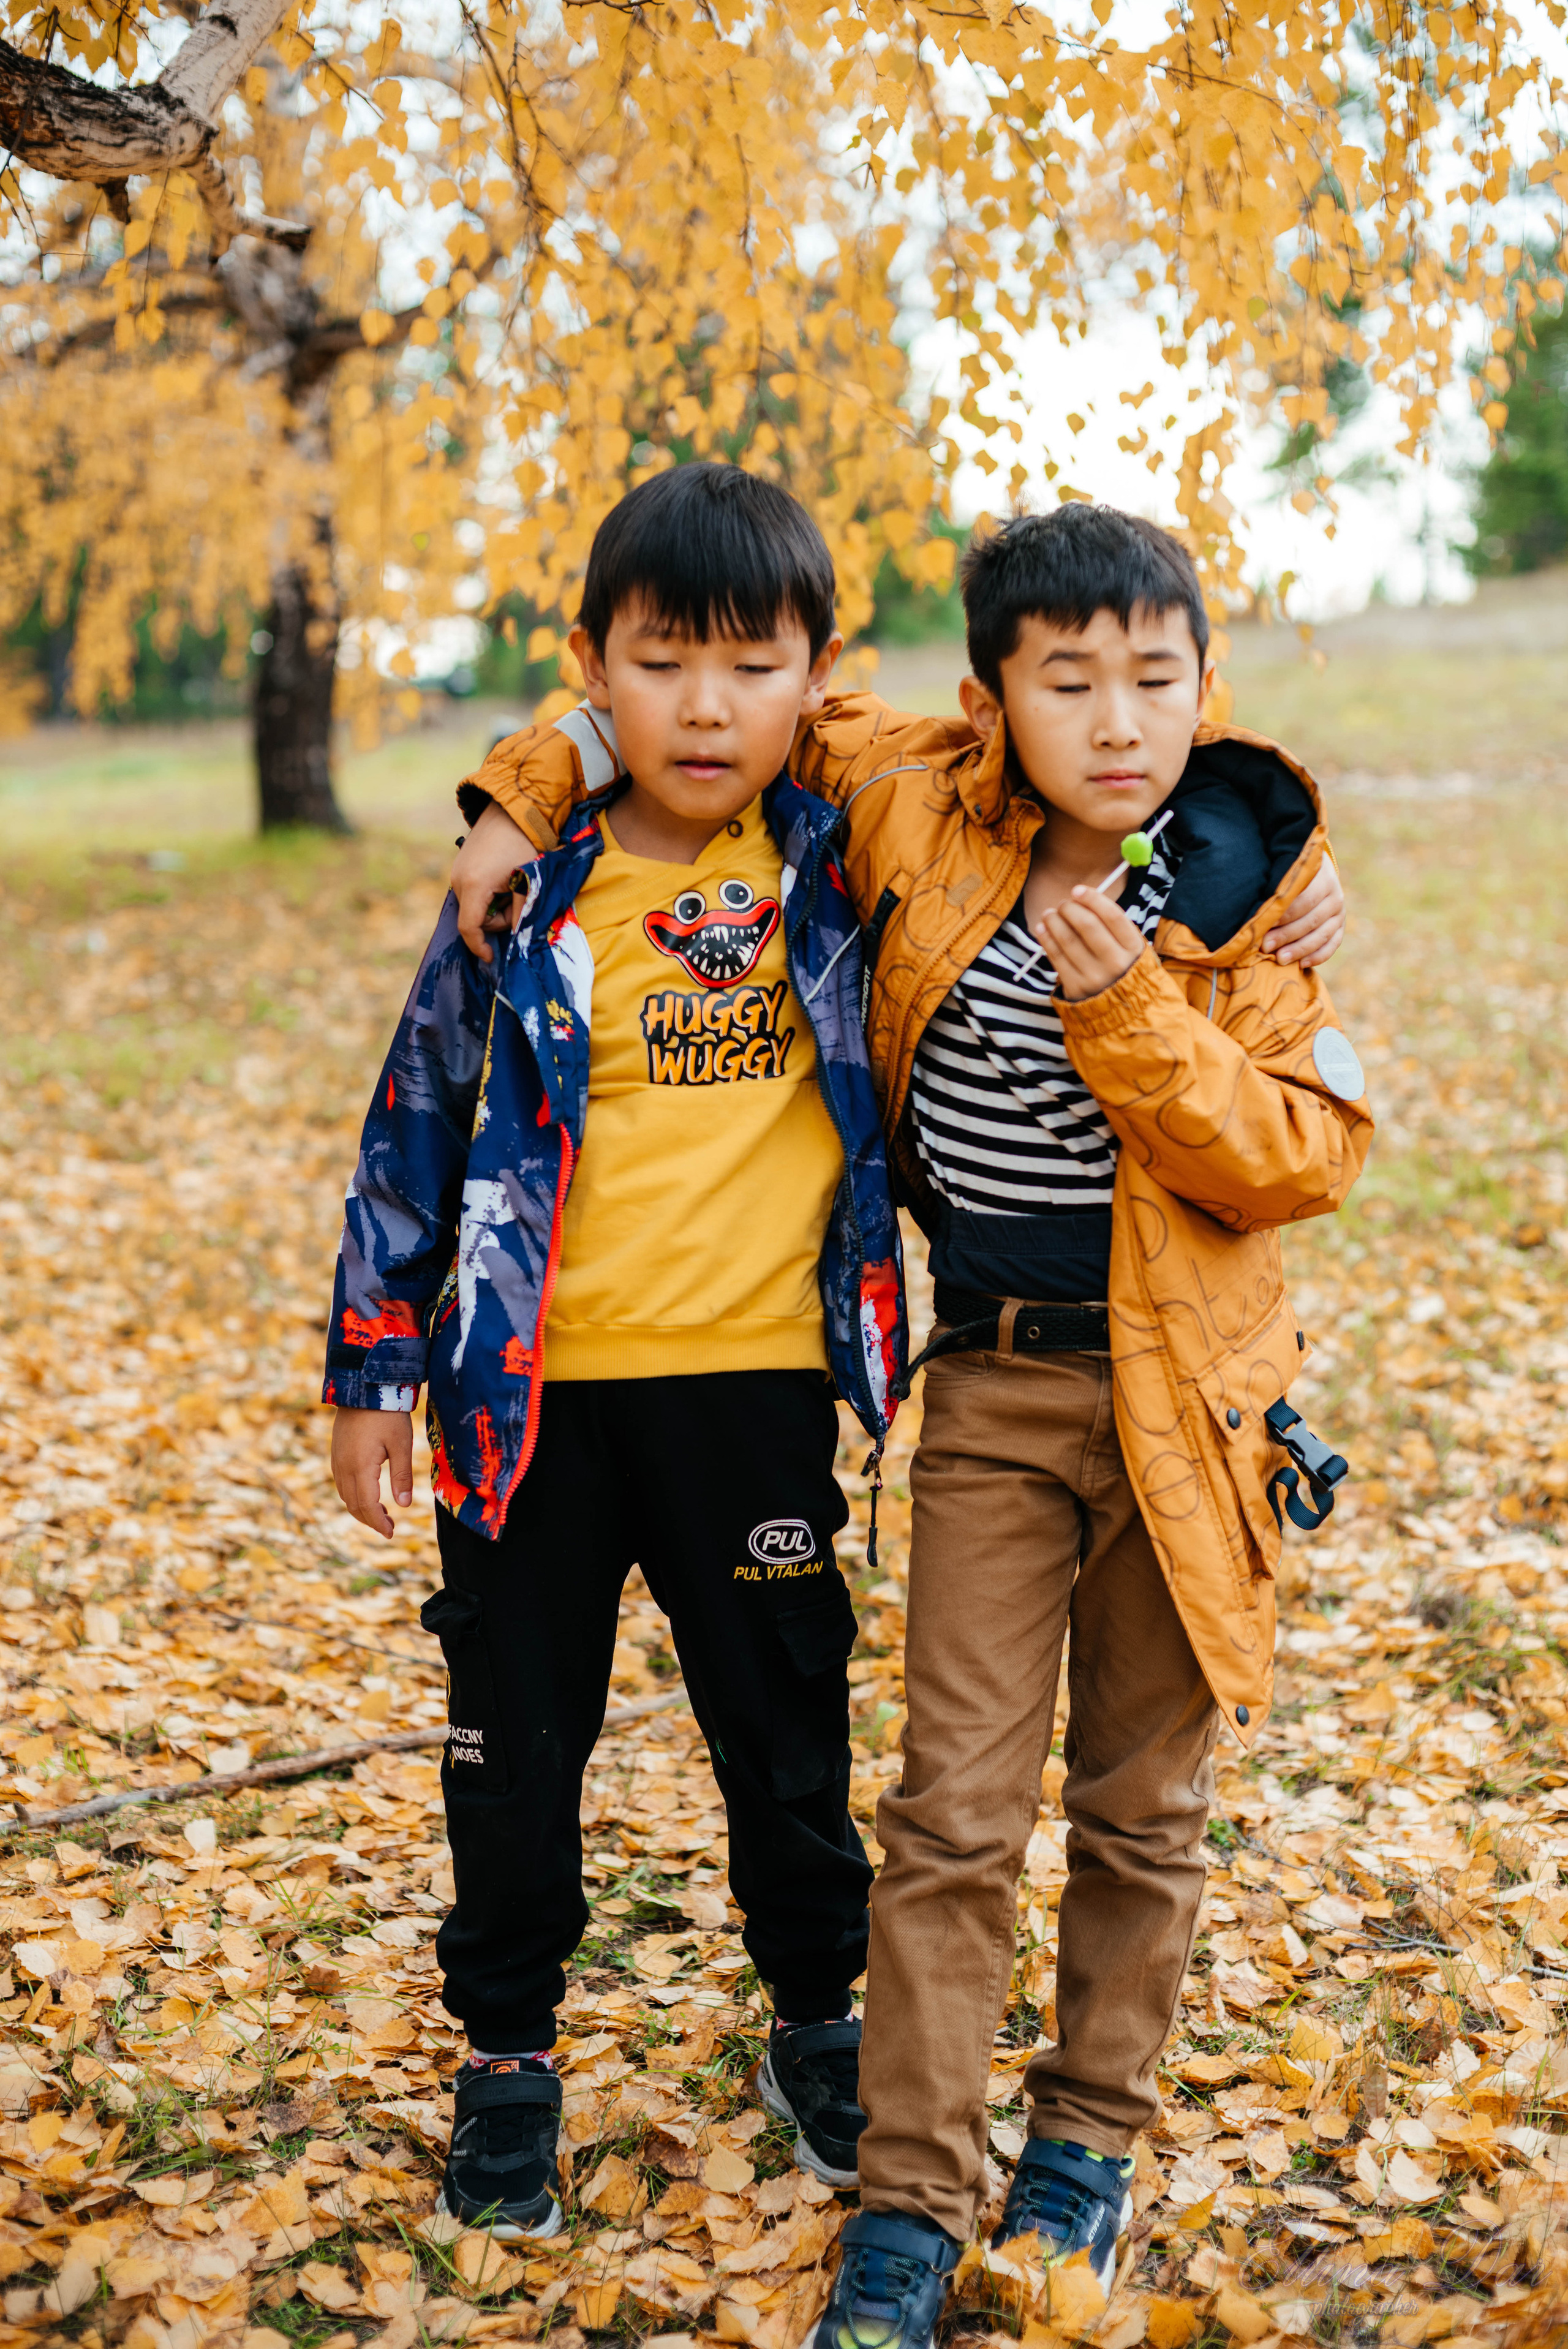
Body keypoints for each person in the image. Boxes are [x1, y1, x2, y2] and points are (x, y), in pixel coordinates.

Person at [450, 502, 1367, 2337]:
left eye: (1155, 681)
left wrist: (1134, 1010)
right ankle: (911, 2196)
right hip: (994, 1390)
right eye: (1068, 682)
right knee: (950, 1815)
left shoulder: (1253, 899)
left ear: (1207, 688)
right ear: (987, 697)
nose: (1116, 720)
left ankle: (1086, 2144)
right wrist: (518, 791)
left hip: (1187, 1406)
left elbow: (1300, 1157)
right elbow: (713, 698)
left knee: (1142, 1807)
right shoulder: (914, 803)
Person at [324, 463, 907, 2238]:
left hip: (752, 1395)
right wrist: (373, 1365)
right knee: (514, 1744)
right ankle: (508, 2052)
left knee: (785, 1728)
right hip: (529, 1409)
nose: (706, 707)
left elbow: (1040, 750)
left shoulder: (839, 861)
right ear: (593, 668)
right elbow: (418, 1111)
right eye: (660, 665)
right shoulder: (528, 891)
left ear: (816, 673)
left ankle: (819, 2019)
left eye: (752, 663)